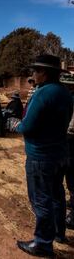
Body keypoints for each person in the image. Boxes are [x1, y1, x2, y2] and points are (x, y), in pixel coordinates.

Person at [13, 54, 73, 258]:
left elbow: (28, 126)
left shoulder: (42, 93)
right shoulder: (65, 93)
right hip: (61, 153)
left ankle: (42, 244)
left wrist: (15, 125)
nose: (33, 74)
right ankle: (58, 233)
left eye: (35, 71)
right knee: (57, 195)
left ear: (44, 73)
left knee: (41, 200)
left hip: (41, 156)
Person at [61, 74, 74, 230]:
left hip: (71, 140)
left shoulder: (70, 100)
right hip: (68, 140)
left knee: (72, 175)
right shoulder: (68, 98)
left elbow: (71, 126)